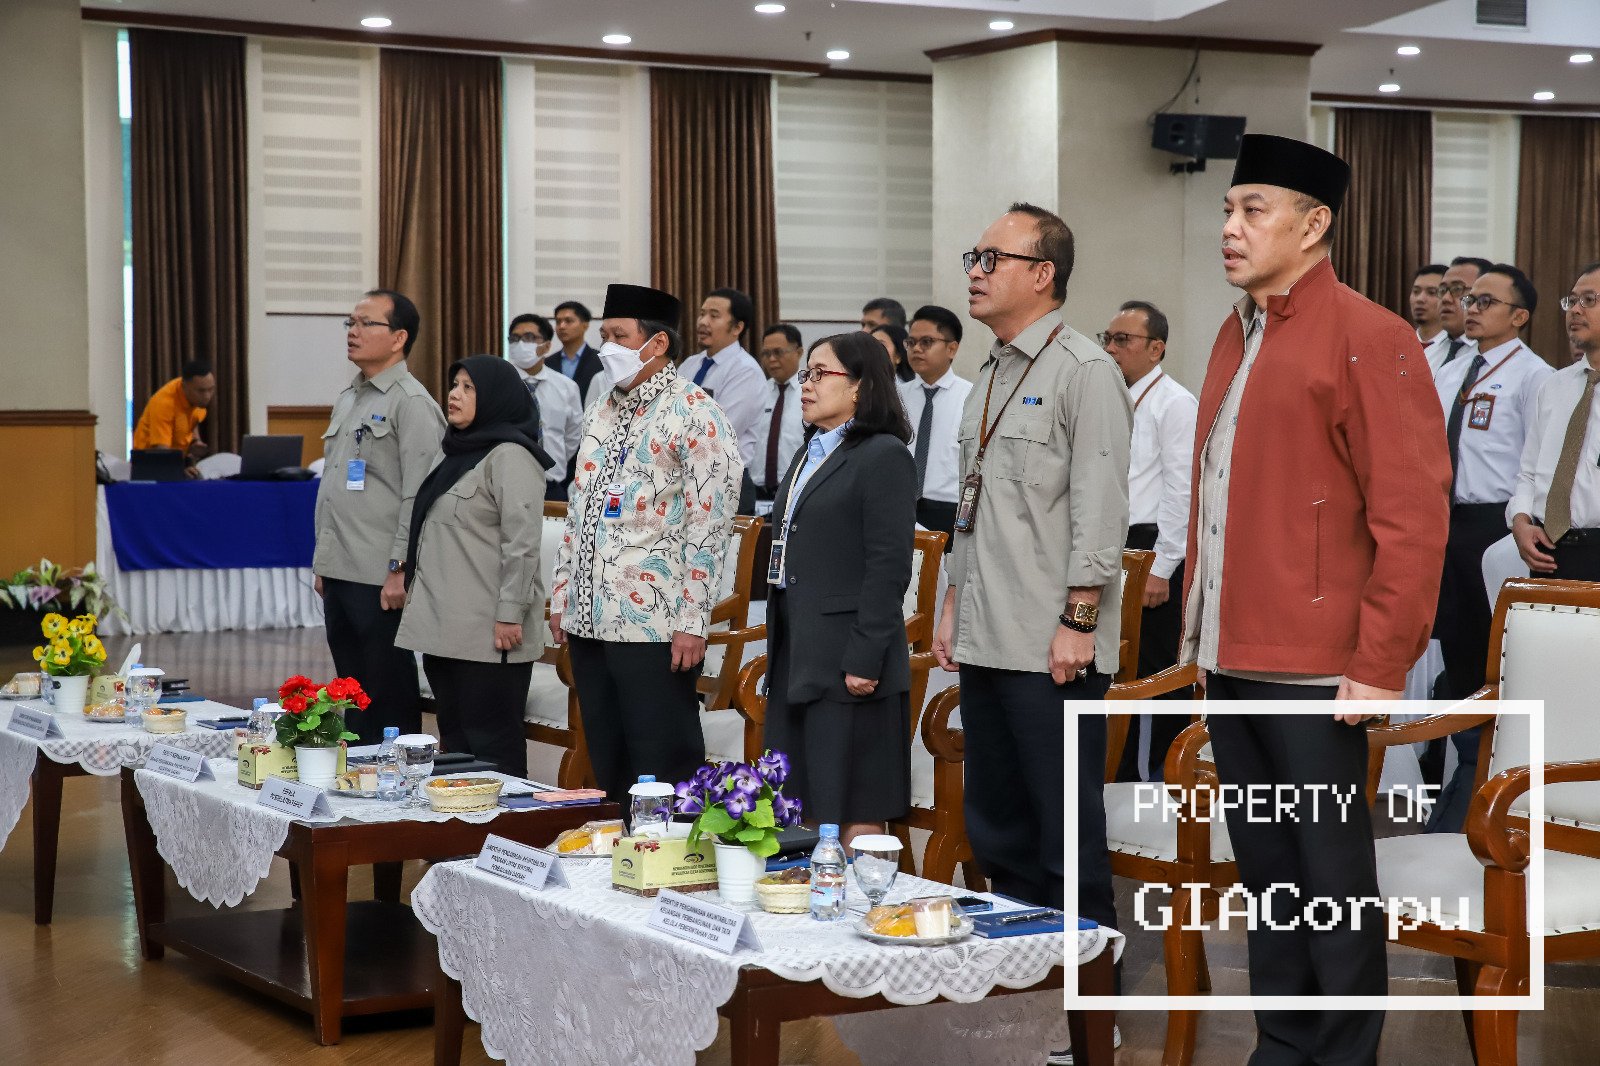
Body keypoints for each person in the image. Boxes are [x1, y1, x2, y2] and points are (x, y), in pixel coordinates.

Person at [1179, 134, 1451, 1064]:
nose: (1230, 227)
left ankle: (1341, 1053)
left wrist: (1379, 664)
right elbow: (1219, 495)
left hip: (1320, 667)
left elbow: (1413, 517)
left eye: (1252, 209)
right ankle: (1284, 1045)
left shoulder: (1372, 334)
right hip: (1233, 654)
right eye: (1228, 209)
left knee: (1329, 877)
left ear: (1313, 223)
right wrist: (1201, 637)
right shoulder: (1236, 330)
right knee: (1270, 873)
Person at [931, 202, 1131, 933]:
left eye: (993, 260)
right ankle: (1022, 976)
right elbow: (974, 503)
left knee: (1063, 833)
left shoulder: (1086, 371)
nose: (975, 273)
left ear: (1042, 274)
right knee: (998, 826)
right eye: (974, 259)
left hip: (1051, 646)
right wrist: (952, 602)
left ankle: (1089, 987)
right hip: (987, 632)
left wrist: (1079, 619)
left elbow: (1100, 508)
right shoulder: (989, 371)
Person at [548, 283, 744, 804]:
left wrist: (692, 620)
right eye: (604, 336)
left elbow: (710, 526)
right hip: (589, 615)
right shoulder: (602, 407)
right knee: (609, 758)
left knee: (662, 759)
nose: (606, 347)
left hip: (654, 622)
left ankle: (672, 852)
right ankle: (620, 848)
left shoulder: (696, 412)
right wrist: (563, 594)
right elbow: (578, 506)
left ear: (657, 344)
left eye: (619, 336)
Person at [763, 331, 916, 843]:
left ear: (860, 386)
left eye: (820, 373)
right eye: (805, 374)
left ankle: (866, 893)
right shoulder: (811, 451)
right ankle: (814, 894)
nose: (806, 384)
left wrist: (865, 658)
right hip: (799, 651)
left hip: (850, 656)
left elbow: (889, 567)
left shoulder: (884, 455)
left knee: (854, 802)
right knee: (802, 796)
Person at [1427, 264, 1550, 834]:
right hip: (1445, 523)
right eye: (1468, 299)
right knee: (1454, 655)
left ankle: (1488, 782)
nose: (1470, 308)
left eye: (1485, 301)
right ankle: (1463, 772)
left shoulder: (1534, 377)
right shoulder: (1454, 369)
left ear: (1519, 316)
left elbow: (1536, 465)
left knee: (1489, 656)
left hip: (1495, 527)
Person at [396, 355, 549, 777]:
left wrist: (510, 613)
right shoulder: (455, 452)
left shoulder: (512, 456)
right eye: (454, 384)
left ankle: (503, 817)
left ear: (496, 398)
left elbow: (522, 545)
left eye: (469, 387)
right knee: (456, 741)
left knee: (492, 744)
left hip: (489, 632)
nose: (454, 394)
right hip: (446, 629)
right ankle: (463, 816)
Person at [312, 289, 445, 743]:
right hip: (341, 567)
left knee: (387, 690)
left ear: (399, 338)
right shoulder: (349, 397)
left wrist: (400, 567)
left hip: (380, 573)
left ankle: (396, 773)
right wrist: (323, 561)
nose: (353, 331)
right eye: (350, 322)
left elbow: (420, 496)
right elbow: (335, 485)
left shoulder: (412, 403)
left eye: (366, 323)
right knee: (351, 692)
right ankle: (357, 773)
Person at [1101, 299, 1196, 782]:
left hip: (1152, 547)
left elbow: (1182, 490)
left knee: (1156, 667)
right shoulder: (1109, 397)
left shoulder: (1174, 403)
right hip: (1112, 542)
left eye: (1123, 340)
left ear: (1156, 348)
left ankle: (1161, 774)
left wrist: (1163, 565)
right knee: (1115, 662)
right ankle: (1115, 770)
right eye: (1107, 339)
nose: (1111, 348)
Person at [1512, 262, 1600, 581]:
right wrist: (1520, 519)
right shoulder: (1555, 385)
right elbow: (1529, 471)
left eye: (1589, 300)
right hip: (1551, 550)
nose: (1575, 310)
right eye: (1572, 300)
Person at [899, 304, 971, 545]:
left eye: (927, 342)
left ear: (952, 348)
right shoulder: (897, 397)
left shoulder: (971, 397)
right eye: (911, 342)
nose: (916, 349)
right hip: (901, 506)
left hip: (949, 510)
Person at [679, 287, 767, 471]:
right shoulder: (690, 364)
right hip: (686, 472)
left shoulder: (745, 371)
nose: (703, 322)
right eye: (702, 314)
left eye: (714, 316)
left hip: (725, 477)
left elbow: (720, 432)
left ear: (737, 328)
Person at [507, 312, 583, 501]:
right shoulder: (498, 382)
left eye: (529, 338)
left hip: (551, 485)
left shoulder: (566, 387)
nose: (521, 344)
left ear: (547, 345)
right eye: (515, 339)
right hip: (506, 483)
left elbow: (573, 435)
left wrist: (552, 459)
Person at [751, 324, 806, 504]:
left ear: (799, 352)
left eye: (778, 352)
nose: (772, 359)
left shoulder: (810, 393)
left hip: (797, 490)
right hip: (758, 493)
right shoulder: (758, 393)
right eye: (766, 354)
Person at [133, 360, 216, 466]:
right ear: (184, 386)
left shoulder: (196, 398)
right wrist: (181, 469)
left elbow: (194, 418)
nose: (207, 396)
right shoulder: (164, 404)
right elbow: (162, 450)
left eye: (211, 389)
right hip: (149, 463)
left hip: (176, 459)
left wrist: (195, 441)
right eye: (201, 391)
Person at [1434, 256, 1494, 372]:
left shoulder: (1495, 356)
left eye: (1457, 289)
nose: (1446, 298)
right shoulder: (1428, 354)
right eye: (1442, 290)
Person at [551, 300, 604, 404]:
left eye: (568, 321)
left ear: (585, 325)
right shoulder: (548, 363)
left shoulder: (601, 361)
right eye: (558, 322)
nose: (561, 326)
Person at [1410, 263, 1449, 367]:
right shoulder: (1399, 343)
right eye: (1416, 291)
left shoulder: (1455, 350)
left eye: (1431, 292)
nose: (1420, 299)